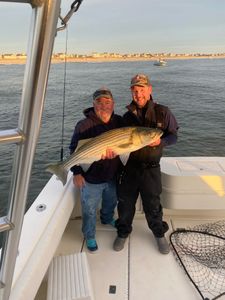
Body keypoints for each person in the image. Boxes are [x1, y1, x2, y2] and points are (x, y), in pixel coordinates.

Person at [113, 74, 179, 254]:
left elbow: (173, 135)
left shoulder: (163, 112)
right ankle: (123, 232)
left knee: (153, 204)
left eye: (142, 89)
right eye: (135, 90)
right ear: (131, 92)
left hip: (151, 169)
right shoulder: (126, 117)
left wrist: (161, 142)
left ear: (149, 90)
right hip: (128, 169)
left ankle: (159, 234)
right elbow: (118, 142)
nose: (138, 94)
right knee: (125, 204)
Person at [69, 87, 123, 252]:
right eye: (99, 102)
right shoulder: (84, 125)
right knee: (89, 210)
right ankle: (89, 234)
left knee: (110, 203)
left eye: (107, 102)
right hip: (91, 179)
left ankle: (107, 219)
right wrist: (76, 172)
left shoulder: (119, 122)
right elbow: (73, 149)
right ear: (93, 104)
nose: (103, 106)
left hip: (112, 176)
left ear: (113, 104)